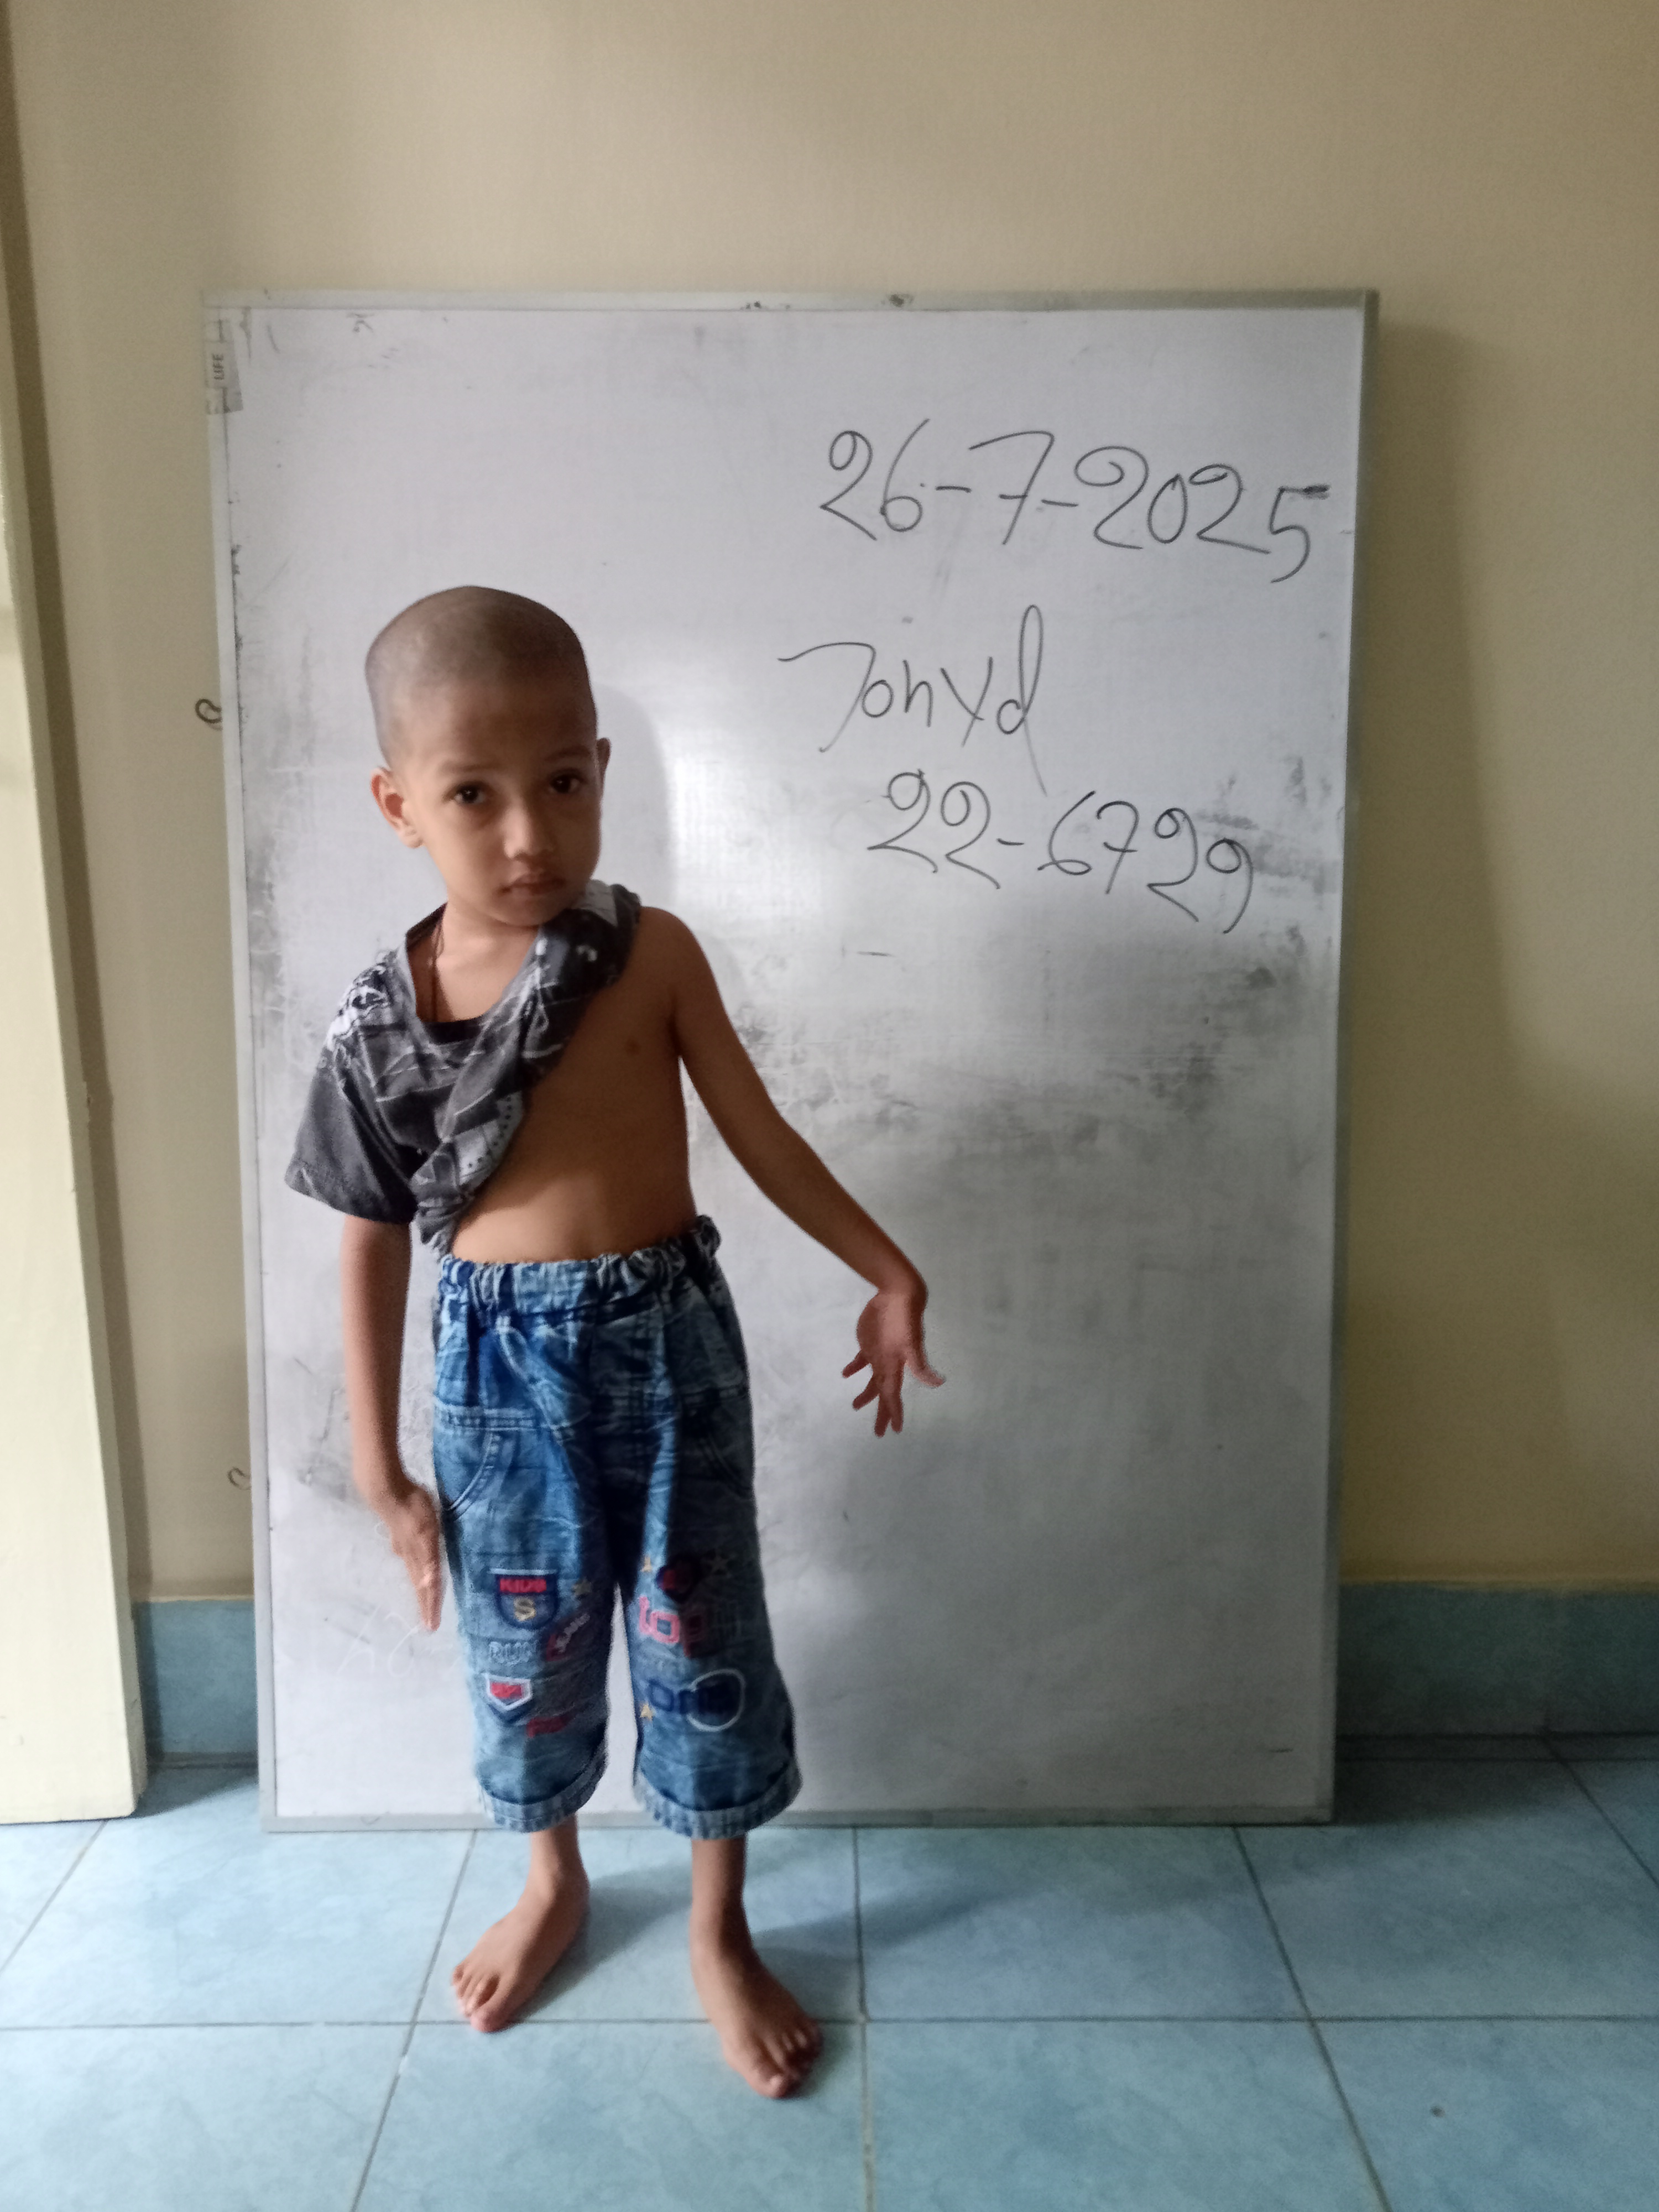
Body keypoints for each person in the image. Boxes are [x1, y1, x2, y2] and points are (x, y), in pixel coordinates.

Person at [285, 585, 942, 2098]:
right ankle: (554, 1879)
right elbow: (368, 1237)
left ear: (600, 768)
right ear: (399, 805)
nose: (532, 835)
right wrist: (380, 1470)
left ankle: (718, 1923)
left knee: (703, 1637)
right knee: (527, 1650)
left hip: (669, 1347)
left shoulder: (651, 956)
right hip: (496, 1374)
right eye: (474, 795)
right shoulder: (379, 1026)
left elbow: (760, 1137)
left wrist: (888, 1268)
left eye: (565, 782)